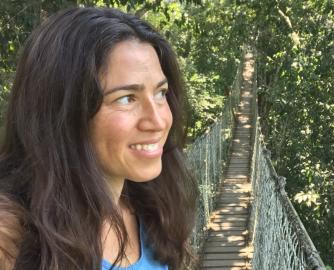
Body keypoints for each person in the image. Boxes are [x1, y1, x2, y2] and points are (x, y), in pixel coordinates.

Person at [0, 7, 198, 270]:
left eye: (161, 93)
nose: (159, 121)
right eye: (127, 99)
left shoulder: (152, 209)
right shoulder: (12, 238)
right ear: (64, 112)